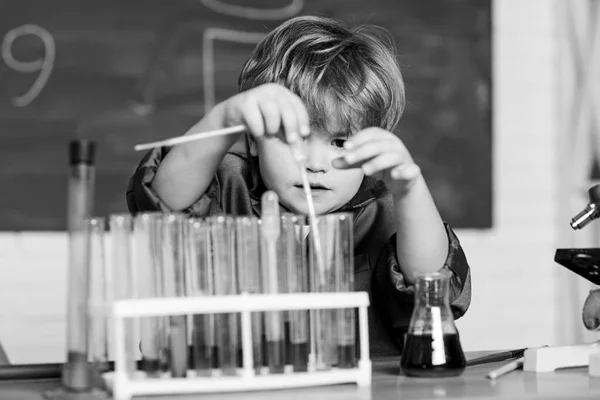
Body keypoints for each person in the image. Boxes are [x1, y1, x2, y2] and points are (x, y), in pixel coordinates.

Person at [127, 15, 471, 356]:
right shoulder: (226, 184)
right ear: (251, 139)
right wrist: (224, 118)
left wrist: (410, 188)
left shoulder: (383, 208)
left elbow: (432, 283)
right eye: (296, 139)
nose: (316, 164)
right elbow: (164, 202)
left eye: (339, 141)